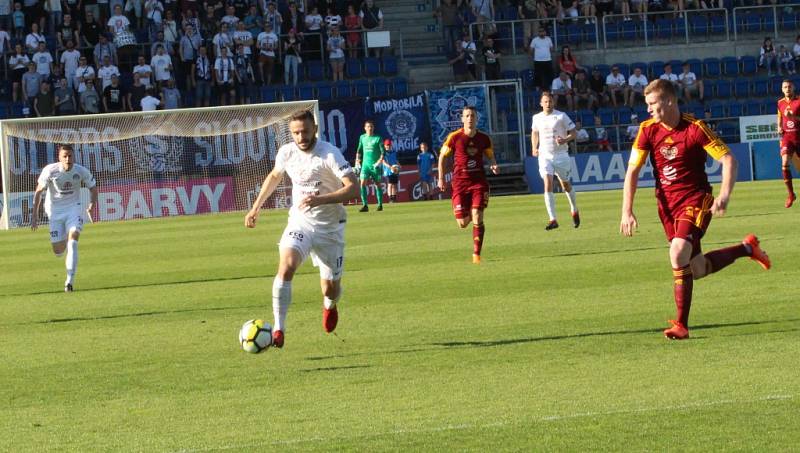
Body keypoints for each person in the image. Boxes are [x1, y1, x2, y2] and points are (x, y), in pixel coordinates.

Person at [620, 79, 771, 340]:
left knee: (677, 253)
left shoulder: (695, 129)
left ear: (669, 101)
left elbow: (728, 159)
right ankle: (747, 248)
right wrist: (627, 210)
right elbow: (632, 171)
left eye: (652, 103)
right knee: (697, 269)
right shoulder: (647, 130)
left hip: (696, 200)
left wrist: (724, 194)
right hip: (667, 207)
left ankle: (681, 325)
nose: (648, 110)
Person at [244, 110, 358, 348]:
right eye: (296, 133)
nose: (301, 137)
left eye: (305, 131)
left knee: (330, 290)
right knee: (286, 267)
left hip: (329, 228)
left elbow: (353, 189)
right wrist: (255, 207)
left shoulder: (329, 154)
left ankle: (330, 305)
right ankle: (278, 328)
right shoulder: (286, 152)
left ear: (314, 129)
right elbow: (275, 175)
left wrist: (322, 199)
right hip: (300, 222)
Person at [31, 144, 99, 292]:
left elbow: (93, 187)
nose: (68, 159)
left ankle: (69, 282)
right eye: (65, 156)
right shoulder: (50, 170)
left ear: (74, 156)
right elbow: (38, 192)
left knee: (73, 242)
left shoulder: (80, 171)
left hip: (73, 209)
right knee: (58, 252)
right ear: (59, 158)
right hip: (54, 212)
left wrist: (91, 206)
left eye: (70, 156)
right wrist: (34, 215)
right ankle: (65, 247)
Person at [437, 106, 499, 264]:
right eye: (467, 116)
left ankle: (476, 255)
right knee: (463, 223)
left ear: (476, 118)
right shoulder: (454, 137)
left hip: (478, 182)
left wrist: (493, 164)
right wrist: (441, 178)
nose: (470, 118)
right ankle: (472, 212)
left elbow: (490, 155)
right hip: (460, 183)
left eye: (472, 115)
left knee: (477, 214)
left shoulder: (484, 138)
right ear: (462, 119)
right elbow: (442, 157)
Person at [531, 91, 580, 230]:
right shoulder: (537, 118)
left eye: (550, 101)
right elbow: (535, 133)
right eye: (545, 101)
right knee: (547, 182)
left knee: (565, 185)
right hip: (544, 155)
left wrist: (565, 139)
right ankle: (553, 219)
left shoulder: (561, 116)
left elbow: (574, 132)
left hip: (561, 155)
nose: (548, 104)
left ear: (554, 102)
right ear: (541, 103)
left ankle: (574, 209)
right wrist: (534, 147)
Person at [777, 79, 800, 208]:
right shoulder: (780, 103)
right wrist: (779, 126)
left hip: (799, 137)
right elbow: (779, 116)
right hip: (787, 138)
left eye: (789, 87)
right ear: (782, 89)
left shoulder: (799, 101)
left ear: (793, 88)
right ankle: (791, 194)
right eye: (785, 87)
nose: (787, 89)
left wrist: (794, 117)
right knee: (784, 162)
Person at [354, 119, 385, 212]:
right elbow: (359, 150)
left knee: (378, 184)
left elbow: (383, 152)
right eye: (368, 126)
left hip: (375, 166)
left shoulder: (378, 138)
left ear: (373, 127)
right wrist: (357, 161)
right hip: (365, 166)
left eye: (371, 126)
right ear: (365, 128)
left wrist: (379, 162)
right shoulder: (362, 137)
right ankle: (365, 205)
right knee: (362, 183)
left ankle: (380, 205)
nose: (370, 128)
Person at [381, 138, 399, 202]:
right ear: (384, 146)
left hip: (394, 171)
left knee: (394, 184)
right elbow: (383, 162)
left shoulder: (394, 152)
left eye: (389, 145)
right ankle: (390, 198)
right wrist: (390, 167)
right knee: (390, 184)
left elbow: (396, 160)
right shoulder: (384, 153)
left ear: (391, 145)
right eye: (387, 145)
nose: (388, 146)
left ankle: (394, 198)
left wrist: (399, 165)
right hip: (387, 171)